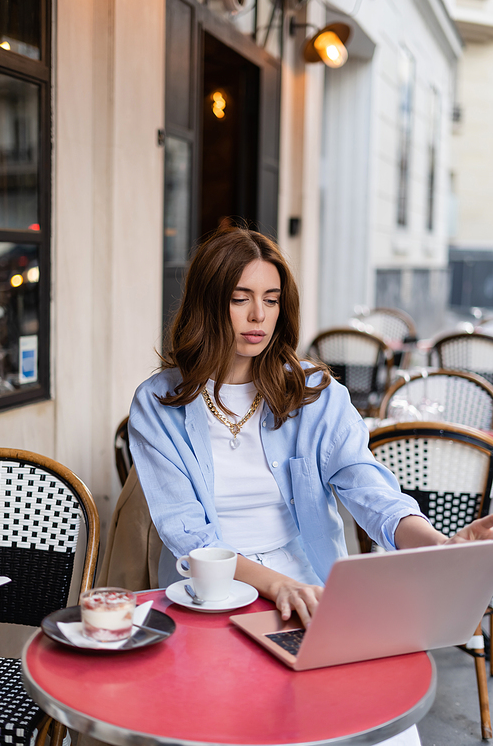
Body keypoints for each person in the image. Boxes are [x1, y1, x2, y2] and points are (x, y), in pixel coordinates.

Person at [128, 227, 493, 746]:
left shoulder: (314, 392)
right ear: (209, 304)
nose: (259, 316)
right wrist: (275, 586)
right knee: (242, 722)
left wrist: (437, 548)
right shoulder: (157, 403)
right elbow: (189, 536)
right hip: (209, 595)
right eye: (240, 299)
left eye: (271, 300)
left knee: (379, 727)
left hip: (310, 585)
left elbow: (369, 488)